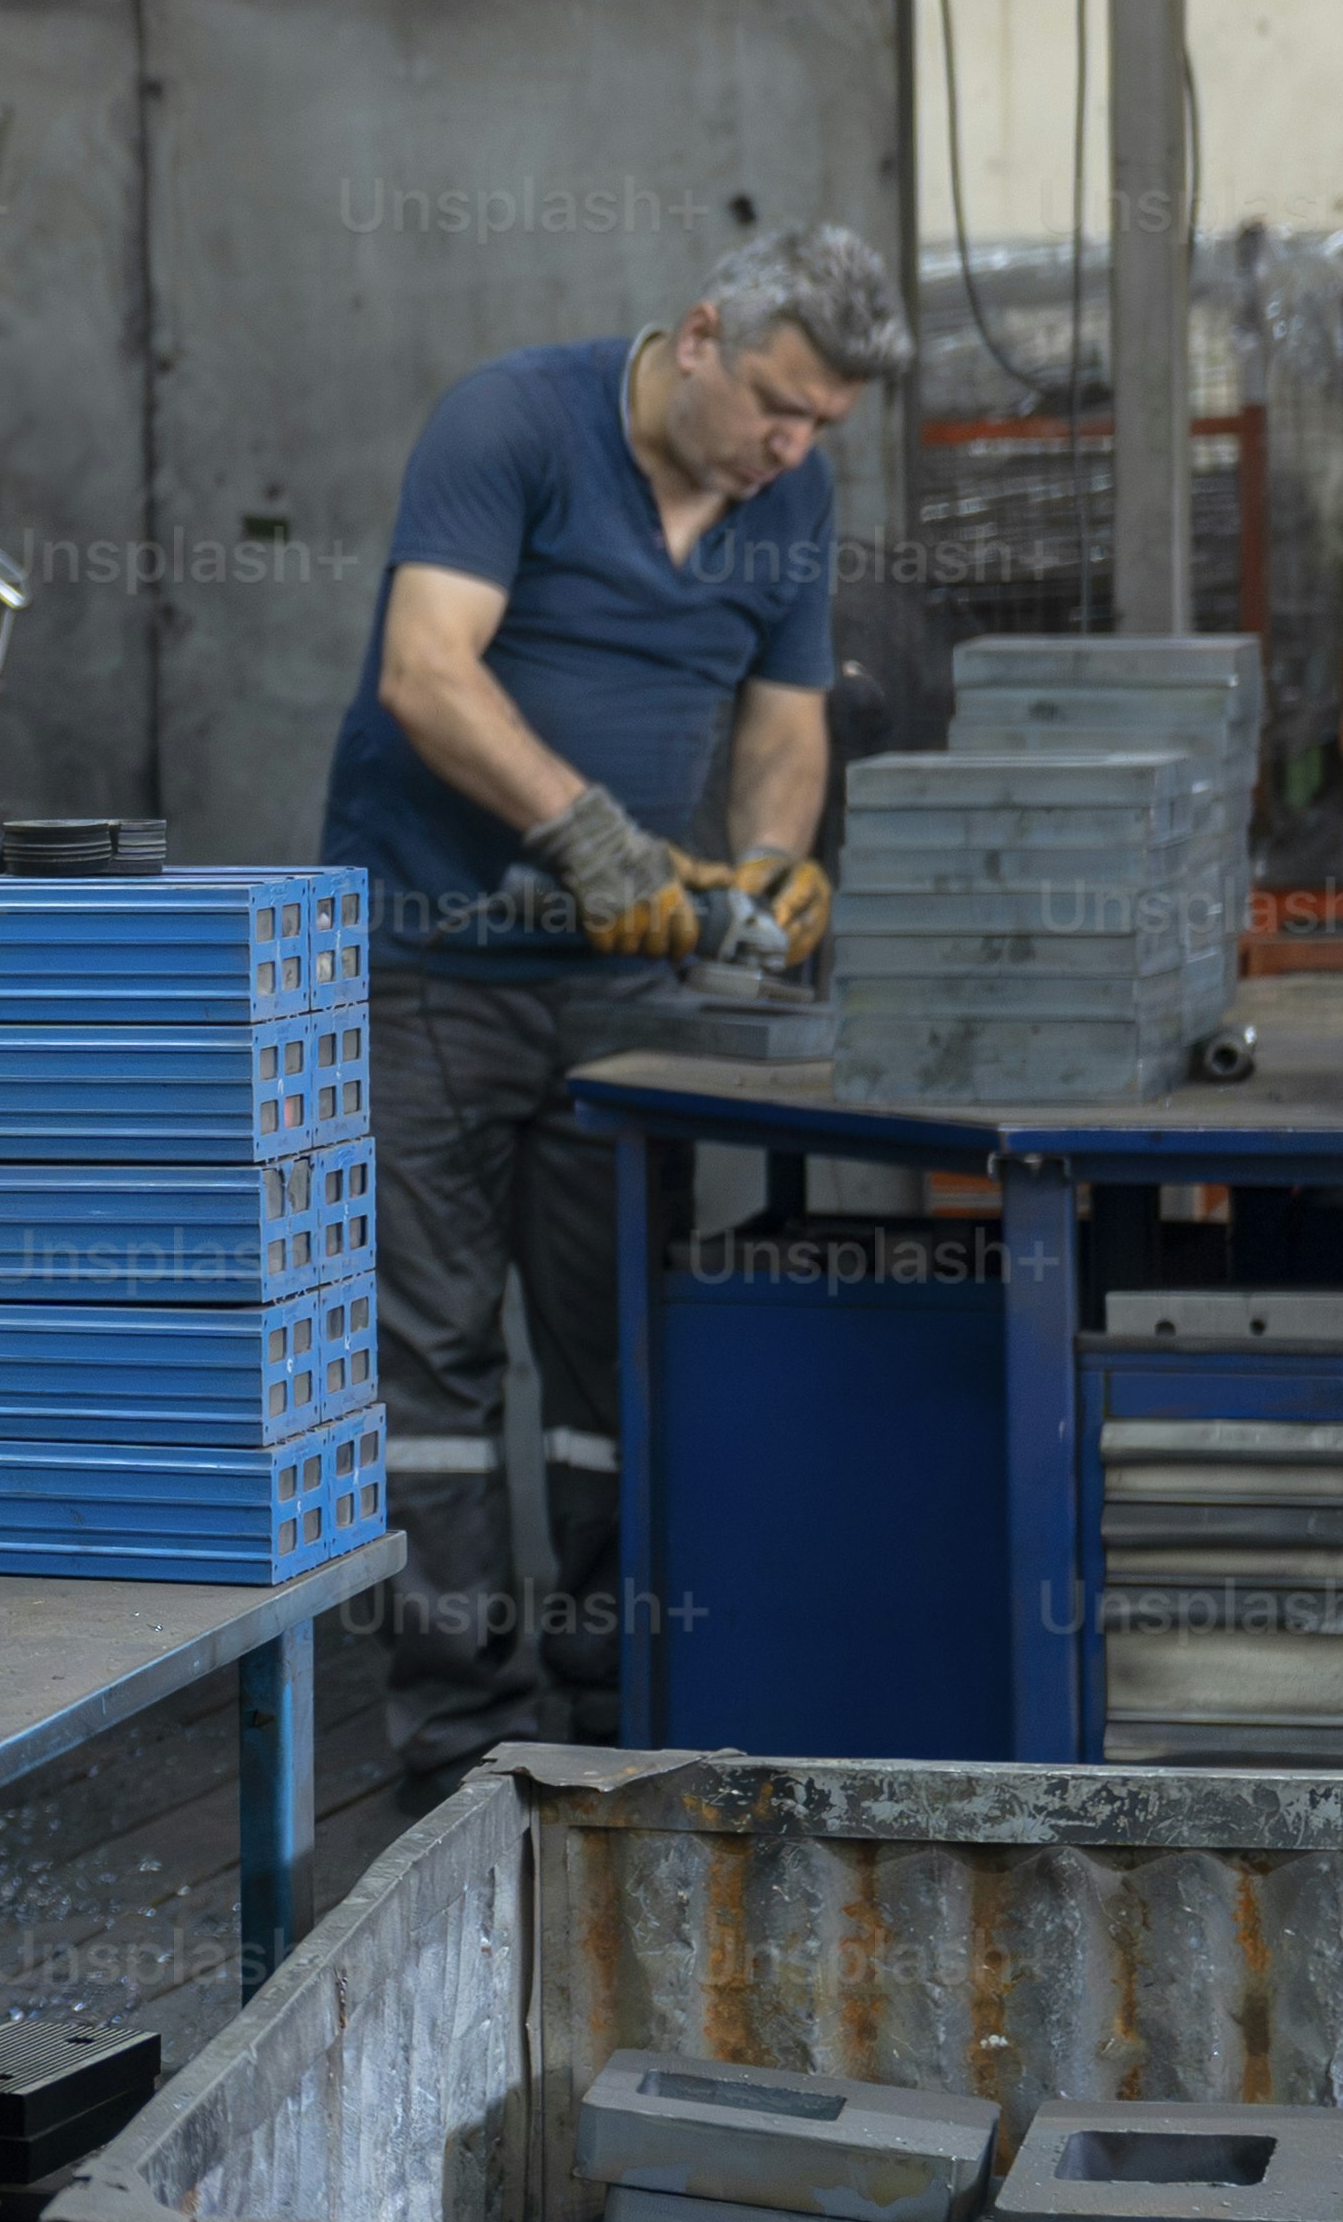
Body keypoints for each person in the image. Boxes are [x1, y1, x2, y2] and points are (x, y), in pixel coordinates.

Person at [308, 222, 907, 1778]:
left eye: (824, 426)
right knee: (428, 1368)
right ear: (701, 333)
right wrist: (582, 835)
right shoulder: (511, 424)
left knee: (614, 1358)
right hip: (428, 971)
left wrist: (771, 864)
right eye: (778, 403)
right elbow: (426, 671)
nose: (791, 445)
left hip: (631, 1004)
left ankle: (612, 1716)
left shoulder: (792, 498)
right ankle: (456, 1738)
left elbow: (785, 717)